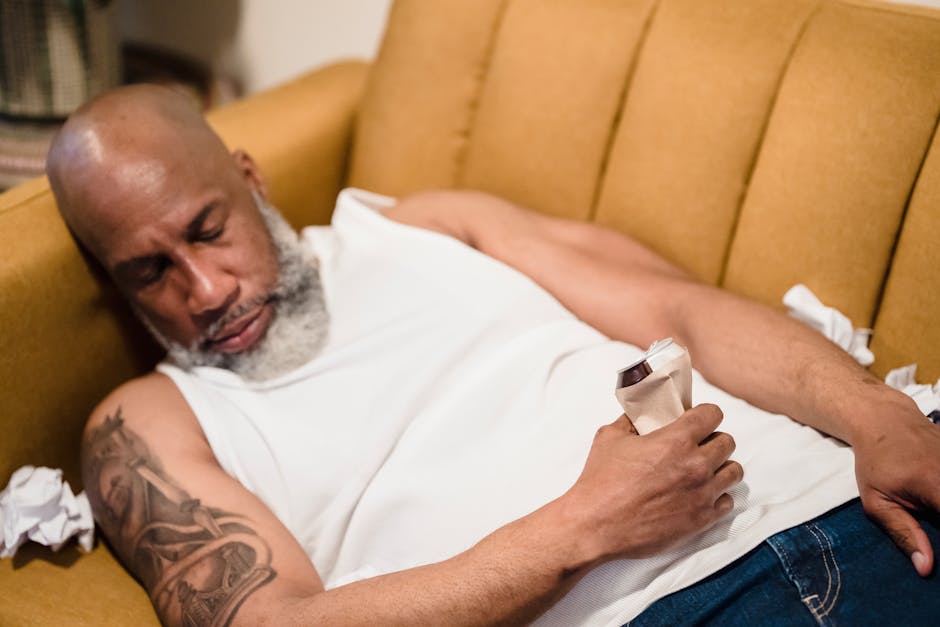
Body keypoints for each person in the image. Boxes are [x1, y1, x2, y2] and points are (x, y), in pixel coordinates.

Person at [45, 84, 939, 626]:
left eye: (210, 230)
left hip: (855, 510)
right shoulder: (148, 423)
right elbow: (270, 619)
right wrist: (580, 527)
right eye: (149, 272)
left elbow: (679, 309)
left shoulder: (424, 224)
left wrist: (874, 412)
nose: (206, 291)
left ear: (249, 178)